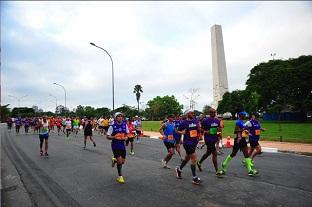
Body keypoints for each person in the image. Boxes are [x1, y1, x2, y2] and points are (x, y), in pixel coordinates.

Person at [221, 112, 258, 176]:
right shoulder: (238, 122)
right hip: (240, 139)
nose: (245, 116)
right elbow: (238, 131)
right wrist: (239, 137)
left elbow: (243, 130)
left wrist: (247, 133)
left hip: (239, 139)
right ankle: (250, 170)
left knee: (234, 153)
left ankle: (224, 163)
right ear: (240, 115)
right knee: (246, 155)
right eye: (244, 115)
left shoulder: (241, 121)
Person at [175, 109, 202, 185]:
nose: (193, 114)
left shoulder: (196, 121)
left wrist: (199, 131)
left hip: (194, 142)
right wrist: (181, 132)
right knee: (194, 158)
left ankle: (179, 169)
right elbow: (176, 131)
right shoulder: (183, 123)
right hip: (187, 143)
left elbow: (198, 130)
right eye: (191, 113)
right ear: (187, 114)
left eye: (193, 113)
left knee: (187, 158)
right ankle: (194, 178)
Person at [196, 108, 224, 176]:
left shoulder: (217, 120)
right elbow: (200, 129)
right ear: (209, 113)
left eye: (215, 112)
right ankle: (217, 171)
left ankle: (199, 162)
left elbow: (220, 128)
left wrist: (219, 129)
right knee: (214, 153)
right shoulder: (205, 121)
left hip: (214, 138)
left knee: (208, 153)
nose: (214, 114)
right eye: (212, 112)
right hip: (208, 139)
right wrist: (205, 131)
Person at [106, 112, 129, 184]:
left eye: (121, 116)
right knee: (120, 162)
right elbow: (107, 136)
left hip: (122, 145)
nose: (120, 117)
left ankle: (114, 160)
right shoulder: (112, 126)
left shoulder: (125, 125)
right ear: (115, 118)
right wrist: (114, 137)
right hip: (115, 145)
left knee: (122, 162)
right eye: (118, 116)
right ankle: (120, 176)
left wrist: (126, 138)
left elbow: (127, 134)